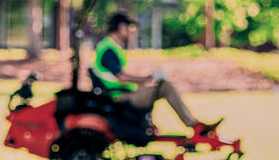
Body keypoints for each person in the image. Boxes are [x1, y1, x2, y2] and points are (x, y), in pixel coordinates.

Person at [89, 12, 220, 135]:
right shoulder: (108, 49)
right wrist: (148, 78)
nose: (131, 31)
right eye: (129, 27)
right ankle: (194, 126)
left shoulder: (110, 47)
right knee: (165, 86)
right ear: (121, 27)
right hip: (119, 98)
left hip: (119, 94)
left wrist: (145, 82)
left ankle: (168, 124)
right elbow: (121, 77)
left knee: (158, 87)